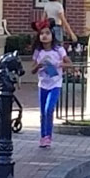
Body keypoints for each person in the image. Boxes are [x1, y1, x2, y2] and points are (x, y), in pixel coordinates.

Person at [31, 20, 72, 149]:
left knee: (49, 109)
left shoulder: (59, 50)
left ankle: (48, 135)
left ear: (52, 35)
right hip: (43, 84)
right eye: (42, 33)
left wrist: (60, 64)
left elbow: (69, 64)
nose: (44, 36)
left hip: (55, 84)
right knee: (43, 112)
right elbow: (32, 70)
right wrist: (39, 65)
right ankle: (43, 136)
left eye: (47, 33)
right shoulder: (38, 52)